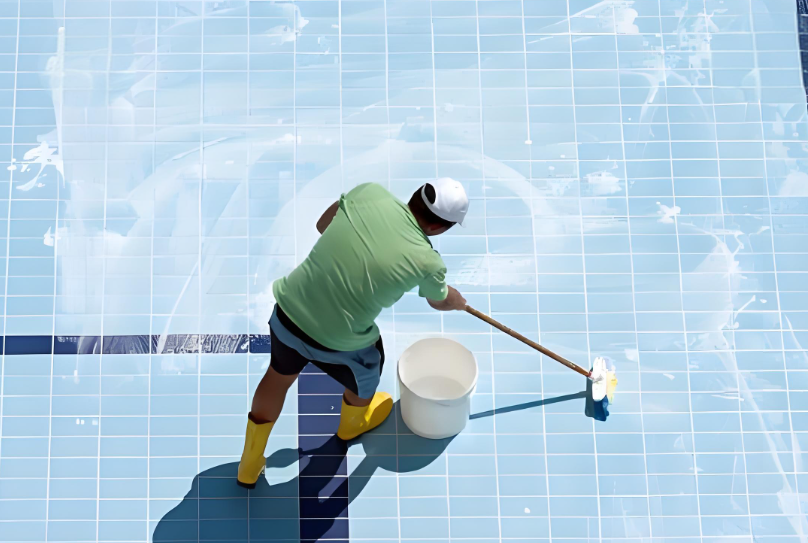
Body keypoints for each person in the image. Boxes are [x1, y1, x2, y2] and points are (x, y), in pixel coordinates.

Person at [237, 178, 470, 488]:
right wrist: (456, 301)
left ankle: (249, 464)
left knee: (277, 377)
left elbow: (323, 225)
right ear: (439, 229)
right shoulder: (428, 262)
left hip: (289, 310)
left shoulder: (369, 193)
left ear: (416, 195)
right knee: (372, 365)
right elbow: (438, 299)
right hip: (339, 342)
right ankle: (352, 424)